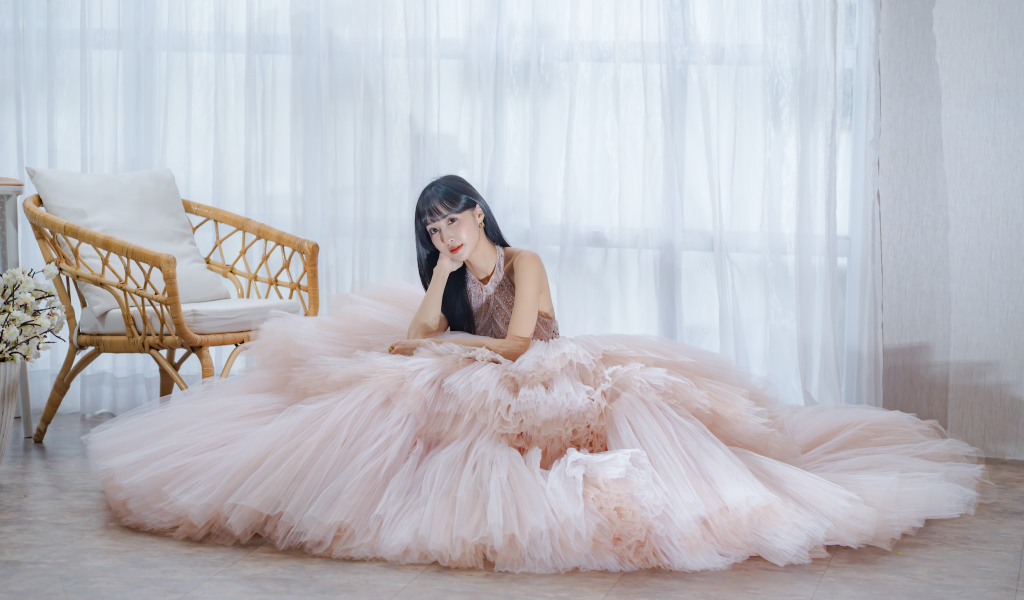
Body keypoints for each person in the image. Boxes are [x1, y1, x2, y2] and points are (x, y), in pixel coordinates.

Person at [84, 175, 986, 573]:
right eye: (432, 228)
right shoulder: (446, 268)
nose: (445, 233)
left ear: (479, 213)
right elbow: (413, 339)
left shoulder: (526, 261)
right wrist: (435, 285)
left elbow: (517, 346)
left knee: (480, 397)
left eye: (453, 220)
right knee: (394, 392)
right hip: (474, 366)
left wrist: (451, 347)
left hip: (548, 368)